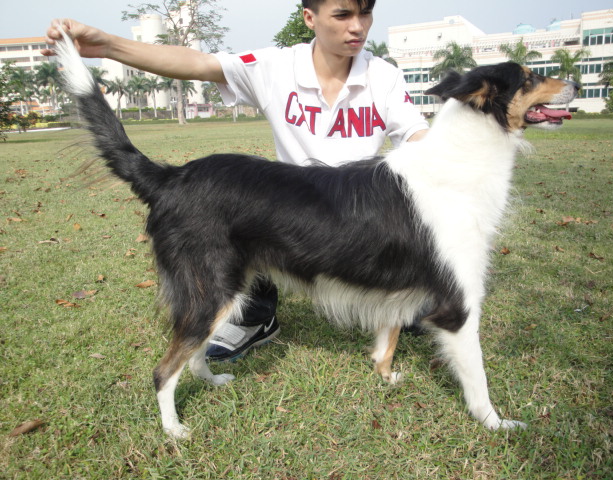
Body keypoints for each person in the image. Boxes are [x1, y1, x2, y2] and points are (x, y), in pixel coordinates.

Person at [44, 0, 429, 362]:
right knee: (244, 205)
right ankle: (255, 315)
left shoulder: (383, 76)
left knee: (415, 266)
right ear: (310, 17)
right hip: (291, 215)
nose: (357, 27)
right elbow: (199, 63)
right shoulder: (277, 66)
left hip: (356, 220)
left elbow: (419, 139)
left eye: (365, 13)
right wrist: (107, 45)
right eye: (342, 15)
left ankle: (394, 296)